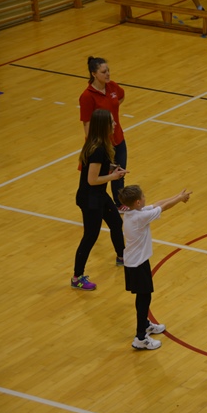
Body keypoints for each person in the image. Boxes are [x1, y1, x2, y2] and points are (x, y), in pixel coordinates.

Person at [118, 185, 192, 350]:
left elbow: (157, 204)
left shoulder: (133, 213)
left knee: (143, 297)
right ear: (138, 202)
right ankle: (140, 337)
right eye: (143, 196)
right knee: (144, 299)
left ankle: (145, 325)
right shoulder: (139, 218)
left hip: (136, 261)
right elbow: (163, 207)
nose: (145, 198)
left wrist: (177, 195)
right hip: (137, 264)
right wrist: (179, 200)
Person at [72, 109, 128, 291]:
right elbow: (92, 179)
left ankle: (122, 256)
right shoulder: (98, 149)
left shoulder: (99, 144)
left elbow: (98, 168)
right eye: (111, 122)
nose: (115, 124)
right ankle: (77, 277)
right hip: (90, 198)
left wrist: (113, 168)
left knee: (115, 222)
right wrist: (113, 177)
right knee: (90, 236)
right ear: (103, 125)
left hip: (98, 195)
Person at [79, 56, 128, 210]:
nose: (108, 74)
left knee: (119, 173)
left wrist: (112, 109)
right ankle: (99, 205)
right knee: (102, 176)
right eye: (103, 72)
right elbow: (87, 123)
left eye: (108, 71)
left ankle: (120, 204)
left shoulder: (112, 86)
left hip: (118, 138)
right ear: (94, 74)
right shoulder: (87, 96)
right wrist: (93, 145)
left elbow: (121, 96)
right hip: (103, 144)